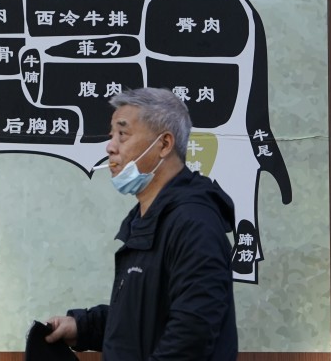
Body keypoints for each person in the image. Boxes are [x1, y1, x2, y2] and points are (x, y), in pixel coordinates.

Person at [43, 87, 237, 360]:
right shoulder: (147, 219)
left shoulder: (194, 224)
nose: (110, 146)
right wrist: (82, 327)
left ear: (164, 145)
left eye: (123, 134)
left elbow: (192, 335)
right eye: (112, 135)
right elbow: (141, 320)